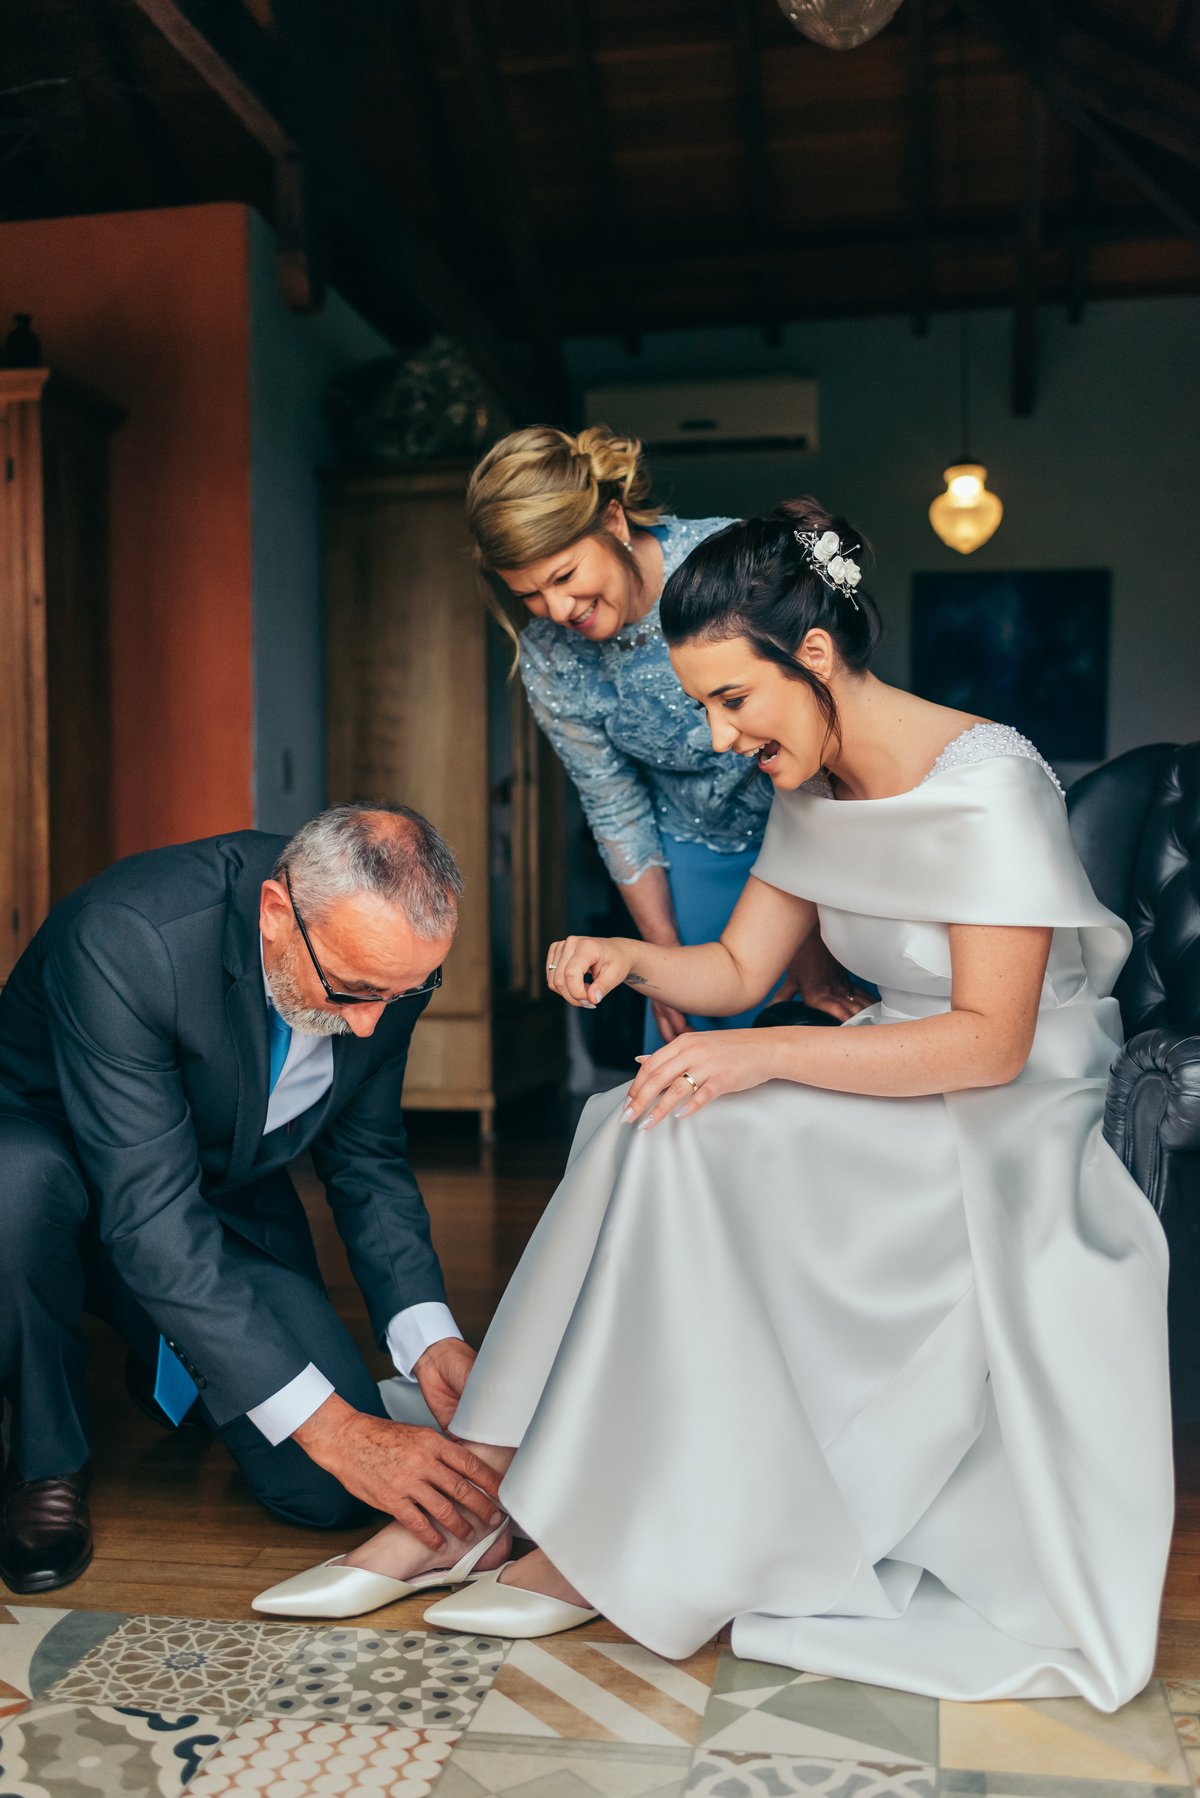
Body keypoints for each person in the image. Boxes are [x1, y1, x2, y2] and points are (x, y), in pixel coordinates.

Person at [263, 502, 1172, 1713]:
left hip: (1008, 1112)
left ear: (813, 655)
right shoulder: (811, 785)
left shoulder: (990, 781)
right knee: (628, 1119)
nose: (715, 735)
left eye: (730, 700)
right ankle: (496, 1483)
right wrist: (626, 956)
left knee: (700, 1122)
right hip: (890, 1063)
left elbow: (995, 1044)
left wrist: (771, 1061)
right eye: (700, 705)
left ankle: (548, 1520)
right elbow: (741, 974)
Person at [0, 805, 507, 1597]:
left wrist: (428, 1337)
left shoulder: (385, 957)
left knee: (327, 1492)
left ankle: (167, 1356)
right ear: (277, 914)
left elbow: (367, 1159)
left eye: (404, 992)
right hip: (48, 1163)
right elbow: (148, 1217)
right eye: (354, 990)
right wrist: (339, 1429)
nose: (372, 1026)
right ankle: (45, 1460)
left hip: (211, 1194)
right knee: (16, 1191)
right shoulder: (131, 934)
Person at [465, 425, 869, 1051]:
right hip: (687, 863)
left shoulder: (725, 565)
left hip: (816, 832)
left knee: (817, 1045)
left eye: (566, 574)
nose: (558, 608)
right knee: (693, 1062)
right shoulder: (550, 655)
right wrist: (661, 965)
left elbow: (822, 720)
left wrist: (809, 947)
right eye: (529, 594)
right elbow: (613, 804)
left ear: (614, 521)